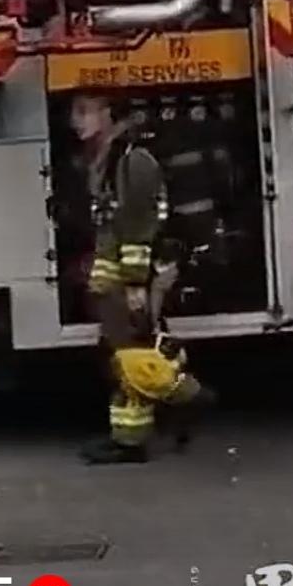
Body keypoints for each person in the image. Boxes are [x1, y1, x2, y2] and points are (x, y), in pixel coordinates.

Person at [75, 93, 206, 464]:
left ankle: (173, 410)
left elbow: (138, 226)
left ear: (110, 116)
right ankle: (159, 419)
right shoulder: (109, 159)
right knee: (133, 355)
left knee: (133, 358)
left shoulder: (132, 161)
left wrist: (134, 285)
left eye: (84, 111)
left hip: (131, 276)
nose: (76, 121)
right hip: (117, 276)